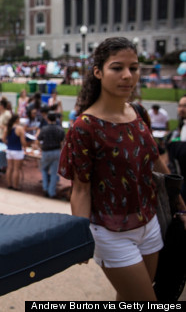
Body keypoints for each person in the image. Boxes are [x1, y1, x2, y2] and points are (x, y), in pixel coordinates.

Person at [58, 36, 185, 301]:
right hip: (110, 231)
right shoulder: (84, 127)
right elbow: (80, 189)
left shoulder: (138, 113)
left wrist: (180, 206)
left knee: (132, 297)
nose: (127, 75)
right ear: (98, 72)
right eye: (117, 68)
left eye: (134, 68)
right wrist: (80, 237)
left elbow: (156, 165)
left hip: (150, 222)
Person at [37, 113, 65, 198]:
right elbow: (62, 142)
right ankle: (51, 192)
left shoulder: (44, 129)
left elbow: (38, 140)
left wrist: (40, 148)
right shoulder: (60, 129)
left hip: (46, 151)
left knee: (44, 170)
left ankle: (45, 188)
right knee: (54, 173)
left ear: (48, 119)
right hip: (56, 151)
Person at [4, 113, 27, 191]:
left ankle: (9, 184)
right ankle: (15, 186)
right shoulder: (20, 128)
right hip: (17, 150)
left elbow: (4, 139)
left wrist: (8, 143)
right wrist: (26, 146)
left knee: (9, 168)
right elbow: (23, 142)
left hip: (9, 149)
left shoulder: (7, 128)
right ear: (17, 120)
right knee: (16, 169)